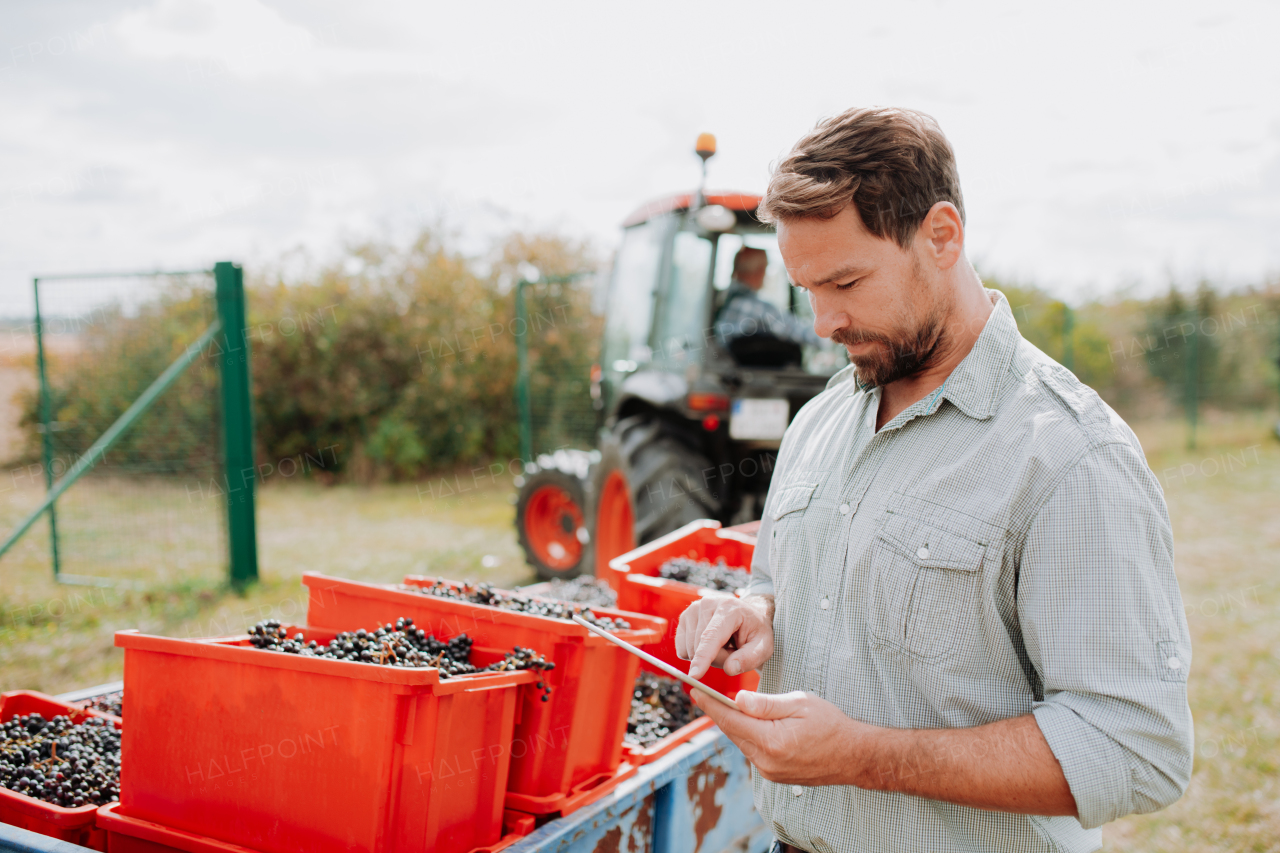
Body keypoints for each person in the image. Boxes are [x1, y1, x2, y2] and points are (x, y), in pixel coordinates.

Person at [676, 107, 1193, 853]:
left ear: (942, 236)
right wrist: (753, 608)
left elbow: (1134, 749)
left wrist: (862, 756)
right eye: (806, 288)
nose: (823, 322)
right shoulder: (822, 418)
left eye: (846, 281)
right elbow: (787, 579)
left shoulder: (1072, 457)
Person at [716, 246, 823, 350]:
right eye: (765, 268)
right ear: (758, 271)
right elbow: (797, 332)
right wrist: (827, 336)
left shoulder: (721, 301)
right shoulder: (755, 307)